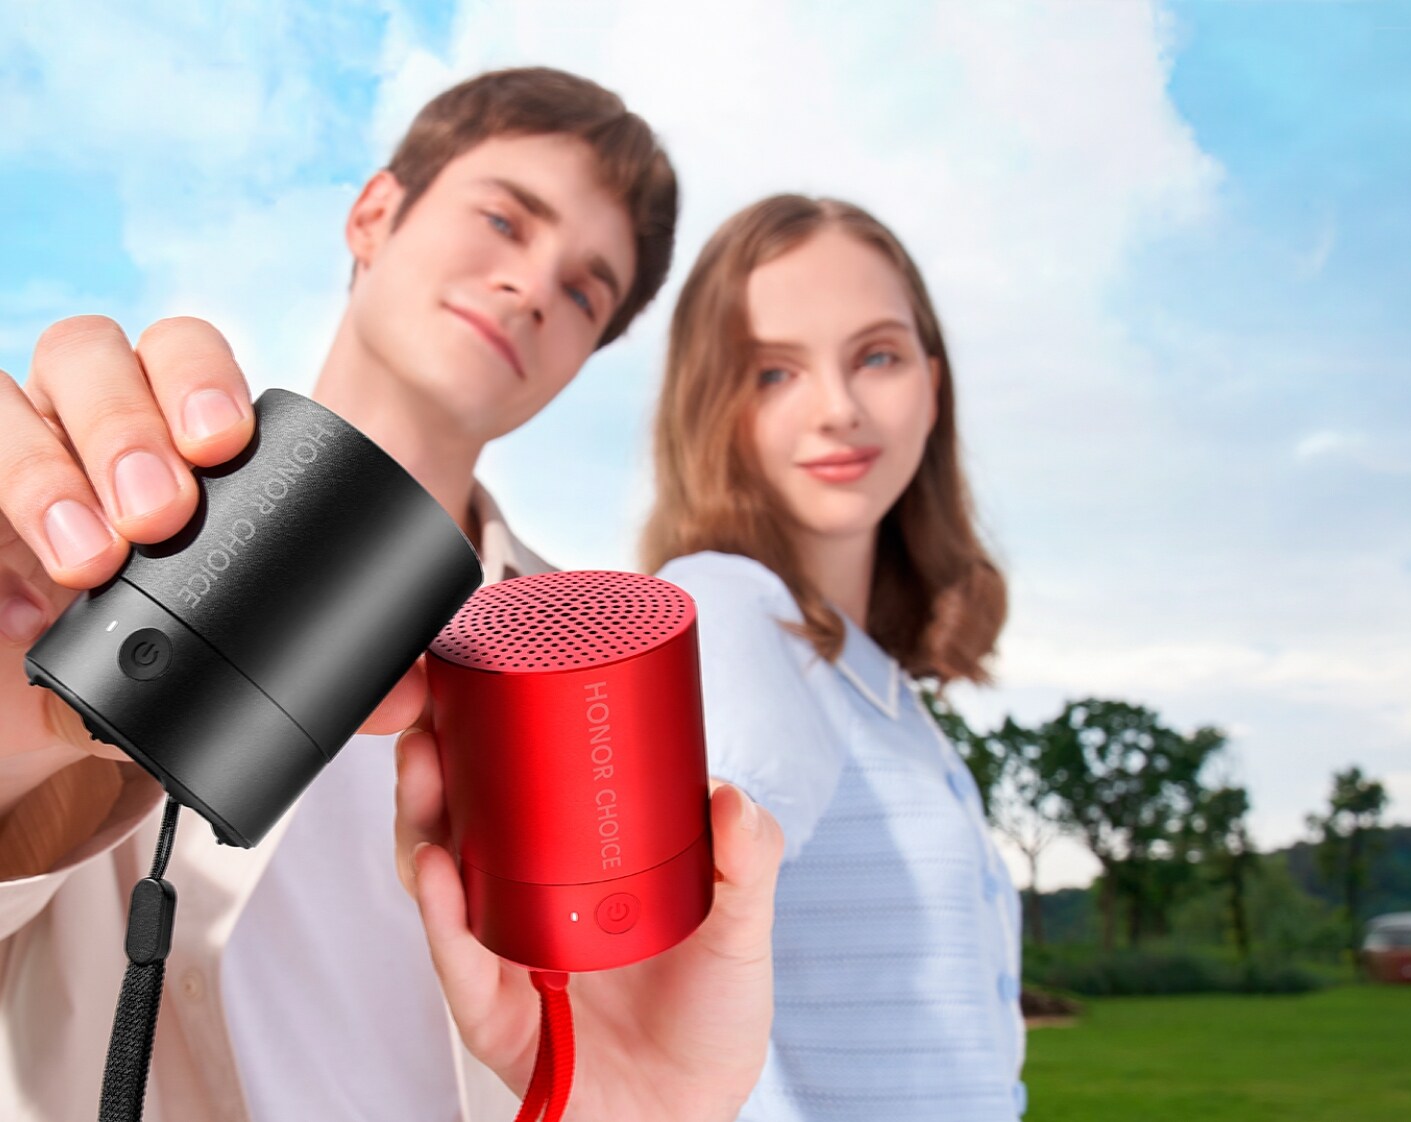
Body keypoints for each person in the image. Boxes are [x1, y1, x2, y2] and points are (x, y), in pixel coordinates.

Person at [0, 68, 781, 1122]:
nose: (534, 286)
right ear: (374, 212)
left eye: (586, 290)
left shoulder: (605, 681)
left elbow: (624, 1058)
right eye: (504, 218)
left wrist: (638, 1108)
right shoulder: (105, 530)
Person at [643, 195, 1025, 1120]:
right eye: (774, 373)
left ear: (933, 384)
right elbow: (684, 916)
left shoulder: (879, 683)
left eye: (878, 357)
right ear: (715, 406)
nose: (839, 410)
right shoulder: (733, 609)